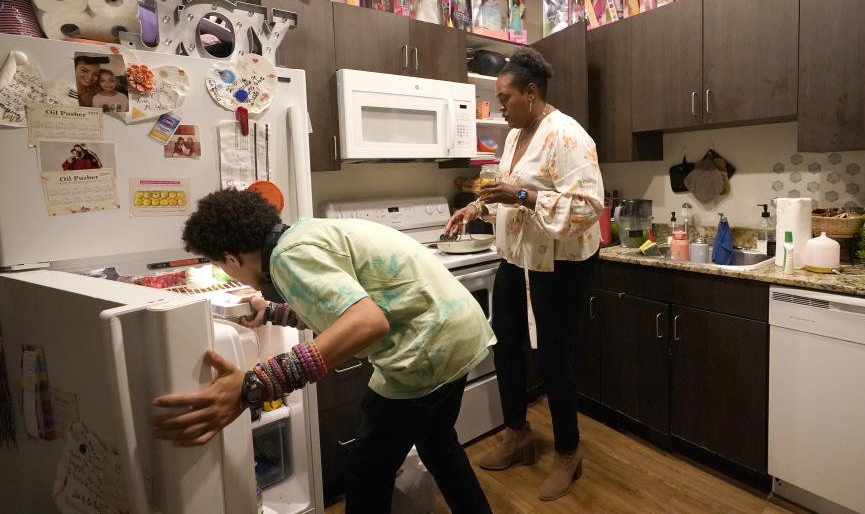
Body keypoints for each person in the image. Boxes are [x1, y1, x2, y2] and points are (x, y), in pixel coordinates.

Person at [152, 189, 494, 514]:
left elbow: (365, 322)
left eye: (224, 266)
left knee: (366, 472)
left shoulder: (287, 258)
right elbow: (340, 306)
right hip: (459, 331)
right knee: (439, 445)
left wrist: (254, 385)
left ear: (231, 258)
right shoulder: (302, 234)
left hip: (426, 350)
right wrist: (273, 311)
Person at [444, 47, 603, 502]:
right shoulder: (515, 136)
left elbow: (588, 208)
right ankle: (518, 436)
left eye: (505, 98)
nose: (500, 107)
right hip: (516, 256)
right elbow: (502, 188)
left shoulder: (568, 136)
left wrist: (526, 197)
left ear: (531, 93)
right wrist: (475, 206)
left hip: (560, 265)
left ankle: (569, 453)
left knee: (556, 358)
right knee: (505, 346)